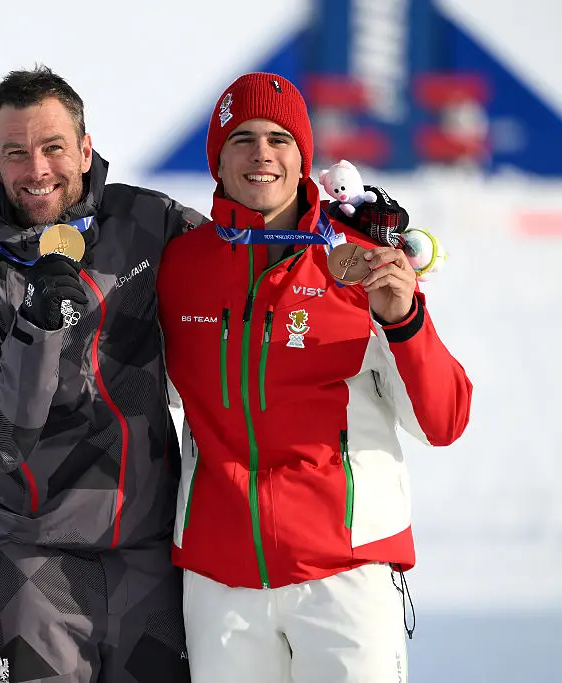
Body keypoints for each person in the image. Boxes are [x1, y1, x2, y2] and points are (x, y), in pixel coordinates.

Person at [156, 72, 473, 683]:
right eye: (242, 137)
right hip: (221, 580)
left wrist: (405, 319)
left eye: (280, 137)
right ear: (216, 158)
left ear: (304, 156)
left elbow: (443, 420)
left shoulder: (357, 260)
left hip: (345, 571)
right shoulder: (181, 266)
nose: (261, 153)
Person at [0, 66, 202, 683]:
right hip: (33, 562)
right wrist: (38, 327)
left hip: (150, 554)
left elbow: (242, 273)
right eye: (17, 153)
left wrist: (328, 233)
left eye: (53, 147)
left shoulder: (148, 224)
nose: (38, 170)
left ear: (85, 147)